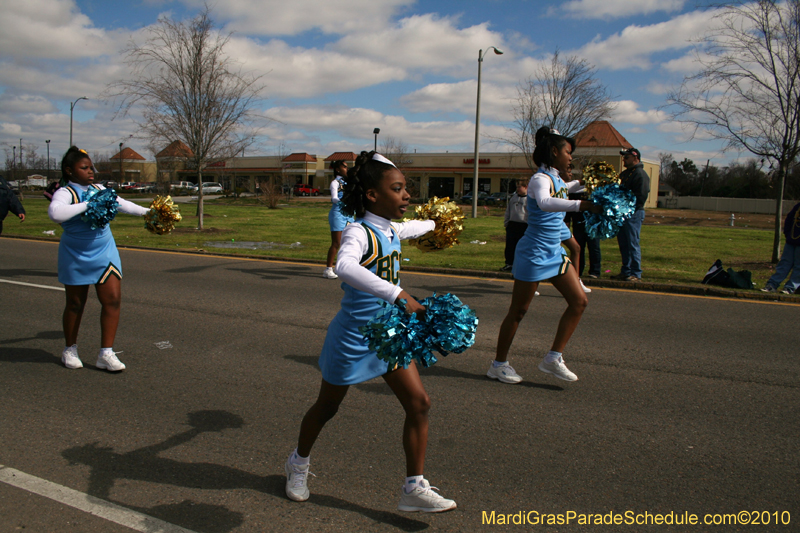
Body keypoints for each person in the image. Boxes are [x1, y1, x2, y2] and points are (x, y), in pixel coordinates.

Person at [284, 151, 456, 513]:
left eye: (406, 188)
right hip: (351, 338)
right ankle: (298, 463)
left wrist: (437, 222)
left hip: (388, 335)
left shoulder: (392, 229)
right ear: (373, 195)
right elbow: (345, 266)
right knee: (327, 408)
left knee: (419, 403)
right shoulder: (357, 232)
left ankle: (413, 487)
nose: (406, 195)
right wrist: (398, 293)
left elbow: (415, 226)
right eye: (398, 189)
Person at [487, 127, 601, 385]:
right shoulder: (540, 179)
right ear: (553, 151)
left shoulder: (558, 180)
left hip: (554, 252)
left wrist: (598, 184)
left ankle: (553, 358)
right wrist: (581, 204)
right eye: (568, 152)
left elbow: (570, 186)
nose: (571, 157)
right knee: (518, 311)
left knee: (579, 301)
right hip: (534, 253)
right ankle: (498, 364)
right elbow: (546, 202)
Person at [47, 147, 150, 371]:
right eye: (84, 168)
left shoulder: (100, 189)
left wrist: (148, 212)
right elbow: (55, 214)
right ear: (69, 170)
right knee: (75, 304)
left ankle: (106, 353)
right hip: (75, 254)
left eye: (91, 167)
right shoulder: (66, 193)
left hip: (105, 251)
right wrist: (90, 204)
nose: (90, 171)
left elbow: (123, 204)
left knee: (112, 299)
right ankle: (70, 349)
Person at [612, 148, 650, 281]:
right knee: (624, 243)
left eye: (627, 157)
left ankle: (636, 273)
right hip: (622, 213)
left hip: (634, 213)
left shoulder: (640, 174)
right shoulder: (625, 174)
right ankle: (626, 271)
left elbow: (641, 195)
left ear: (635, 158)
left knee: (633, 243)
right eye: (624, 157)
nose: (624, 160)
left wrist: (629, 208)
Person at [323, 160, 354, 279]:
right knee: (336, 242)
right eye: (345, 167)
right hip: (338, 213)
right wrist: (343, 202)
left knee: (348, 242)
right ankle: (328, 269)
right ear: (337, 169)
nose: (347, 169)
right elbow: (334, 198)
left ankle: (343, 267)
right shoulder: (335, 183)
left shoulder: (349, 182)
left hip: (349, 214)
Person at [761, 201, 800, 295]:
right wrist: (788, 234)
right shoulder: (798, 207)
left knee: (799, 267)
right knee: (784, 264)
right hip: (791, 241)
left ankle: (790, 288)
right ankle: (772, 285)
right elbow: (789, 219)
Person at [501, 180, 528, 272]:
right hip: (512, 224)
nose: (517, 189)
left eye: (519, 187)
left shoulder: (529, 199)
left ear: (526, 187)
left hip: (524, 226)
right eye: (517, 187)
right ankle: (509, 264)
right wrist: (506, 222)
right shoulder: (513, 198)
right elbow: (508, 211)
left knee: (522, 247)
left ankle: (521, 266)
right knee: (510, 246)